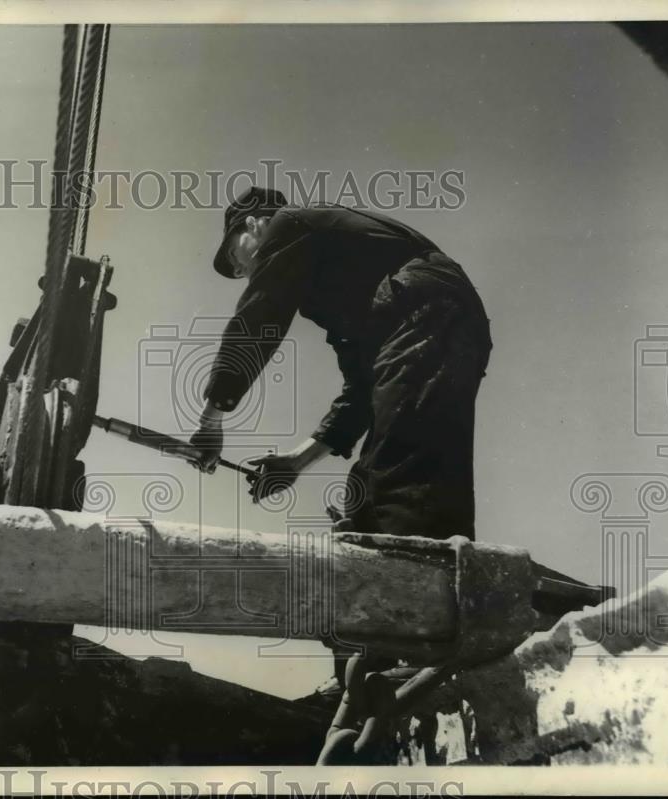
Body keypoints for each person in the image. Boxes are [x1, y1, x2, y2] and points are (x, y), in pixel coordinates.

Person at [189, 186, 493, 693]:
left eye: (234, 259)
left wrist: (213, 415)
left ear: (252, 226)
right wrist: (297, 460)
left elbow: (258, 316)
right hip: (429, 316)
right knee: (376, 486)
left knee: (402, 475)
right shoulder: (336, 280)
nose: (241, 271)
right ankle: (373, 663)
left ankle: (412, 652)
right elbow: (360, 388)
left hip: (427, 308)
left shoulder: (290, 224)